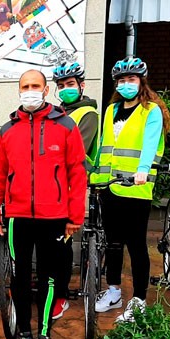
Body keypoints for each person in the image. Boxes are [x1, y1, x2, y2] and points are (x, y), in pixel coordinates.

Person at [0, 69, 87, 339]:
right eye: (25, 86)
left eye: (36, 86)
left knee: (49, 278)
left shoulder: (66, 126)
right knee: (18, 278)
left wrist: (74, 215)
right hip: (17, 217)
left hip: (54, 217)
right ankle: (24, 334)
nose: (30, 90)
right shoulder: (7, 130)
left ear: (45, 90)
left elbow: (77, 173)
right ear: (19, 90)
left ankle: (44, 336)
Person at [92, 57, 170, 323]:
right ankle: (113, 290)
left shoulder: (151, 111)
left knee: (136, 245)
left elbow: (150, 144)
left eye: (132, 79)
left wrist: (144, 169)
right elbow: (106, 146)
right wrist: (96, 177)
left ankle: (138, 299)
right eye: (122, 80)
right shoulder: (112, 109)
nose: (126, 84)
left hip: (136, 188)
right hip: (110, 188)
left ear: (141, 82)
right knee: (112, 243)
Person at [50, 62, 100, 321]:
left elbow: (76, 150)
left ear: (82, 86)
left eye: (70, 85)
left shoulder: (87, 113)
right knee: (50, 242)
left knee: (63, 244)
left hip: (70, 186)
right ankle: (50, 292)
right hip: (51, 187)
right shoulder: (58, 112)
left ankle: (60, 296)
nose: (65, 89)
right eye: (61, 86)